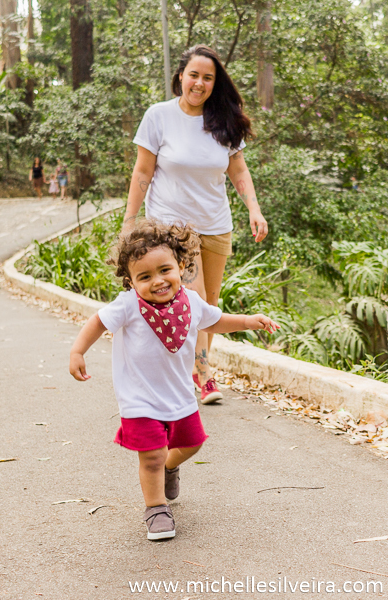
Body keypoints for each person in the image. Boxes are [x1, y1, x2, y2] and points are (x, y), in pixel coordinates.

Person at [68, 220, 279, 541]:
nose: (158, 281)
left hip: (179, 395)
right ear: (130, 281)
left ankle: (169, 467)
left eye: (165, 270)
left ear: (182, 265)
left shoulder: (192, 302)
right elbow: (98, 321)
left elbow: (217, 321)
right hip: (139, 399)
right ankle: (156, 509)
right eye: (144, 276)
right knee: (150, 455)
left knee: (192, 442)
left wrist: (250, 321)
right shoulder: (128, 305)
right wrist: (78, 351)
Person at [122, 44, 268, 405]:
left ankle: (192, 367)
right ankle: (203, 376)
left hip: (216, 224)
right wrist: (130, 220)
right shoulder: (158, 116)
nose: (199, 83)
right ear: (180, 77)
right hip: (171, 227)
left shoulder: (224, 122)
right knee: (196, 297)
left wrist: (254, 209)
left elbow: (238, 170)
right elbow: (143, 171)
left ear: (214, 83)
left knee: (210, 306)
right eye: (194, 75)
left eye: (208, 77)